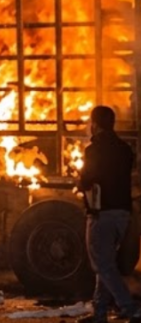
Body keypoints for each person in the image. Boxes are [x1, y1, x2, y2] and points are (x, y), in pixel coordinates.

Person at [78, 106, 141, 323]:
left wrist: (81, 180)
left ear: (95, 124)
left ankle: (130, 308)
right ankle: (100, 312)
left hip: (101, 213)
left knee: (102, 264)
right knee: (106, 262)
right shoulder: (125, 149)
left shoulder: (93, 151)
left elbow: (86, 180)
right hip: (123, 213)